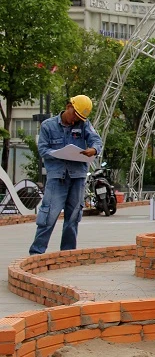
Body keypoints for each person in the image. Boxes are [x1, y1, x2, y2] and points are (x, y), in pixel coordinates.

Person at [30, 95, 103, 255]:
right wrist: (59, 153)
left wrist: (93, 150)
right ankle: (36, 253)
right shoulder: (48, 126)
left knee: (73, 218)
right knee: (48, 216)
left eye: (79, 118)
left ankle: (67, 254)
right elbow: (43, 149)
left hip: (77, 177)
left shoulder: (84, 124)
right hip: (57, 177)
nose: (75, 120)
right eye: (74, 115)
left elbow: (96, 141)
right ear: (69, 106)